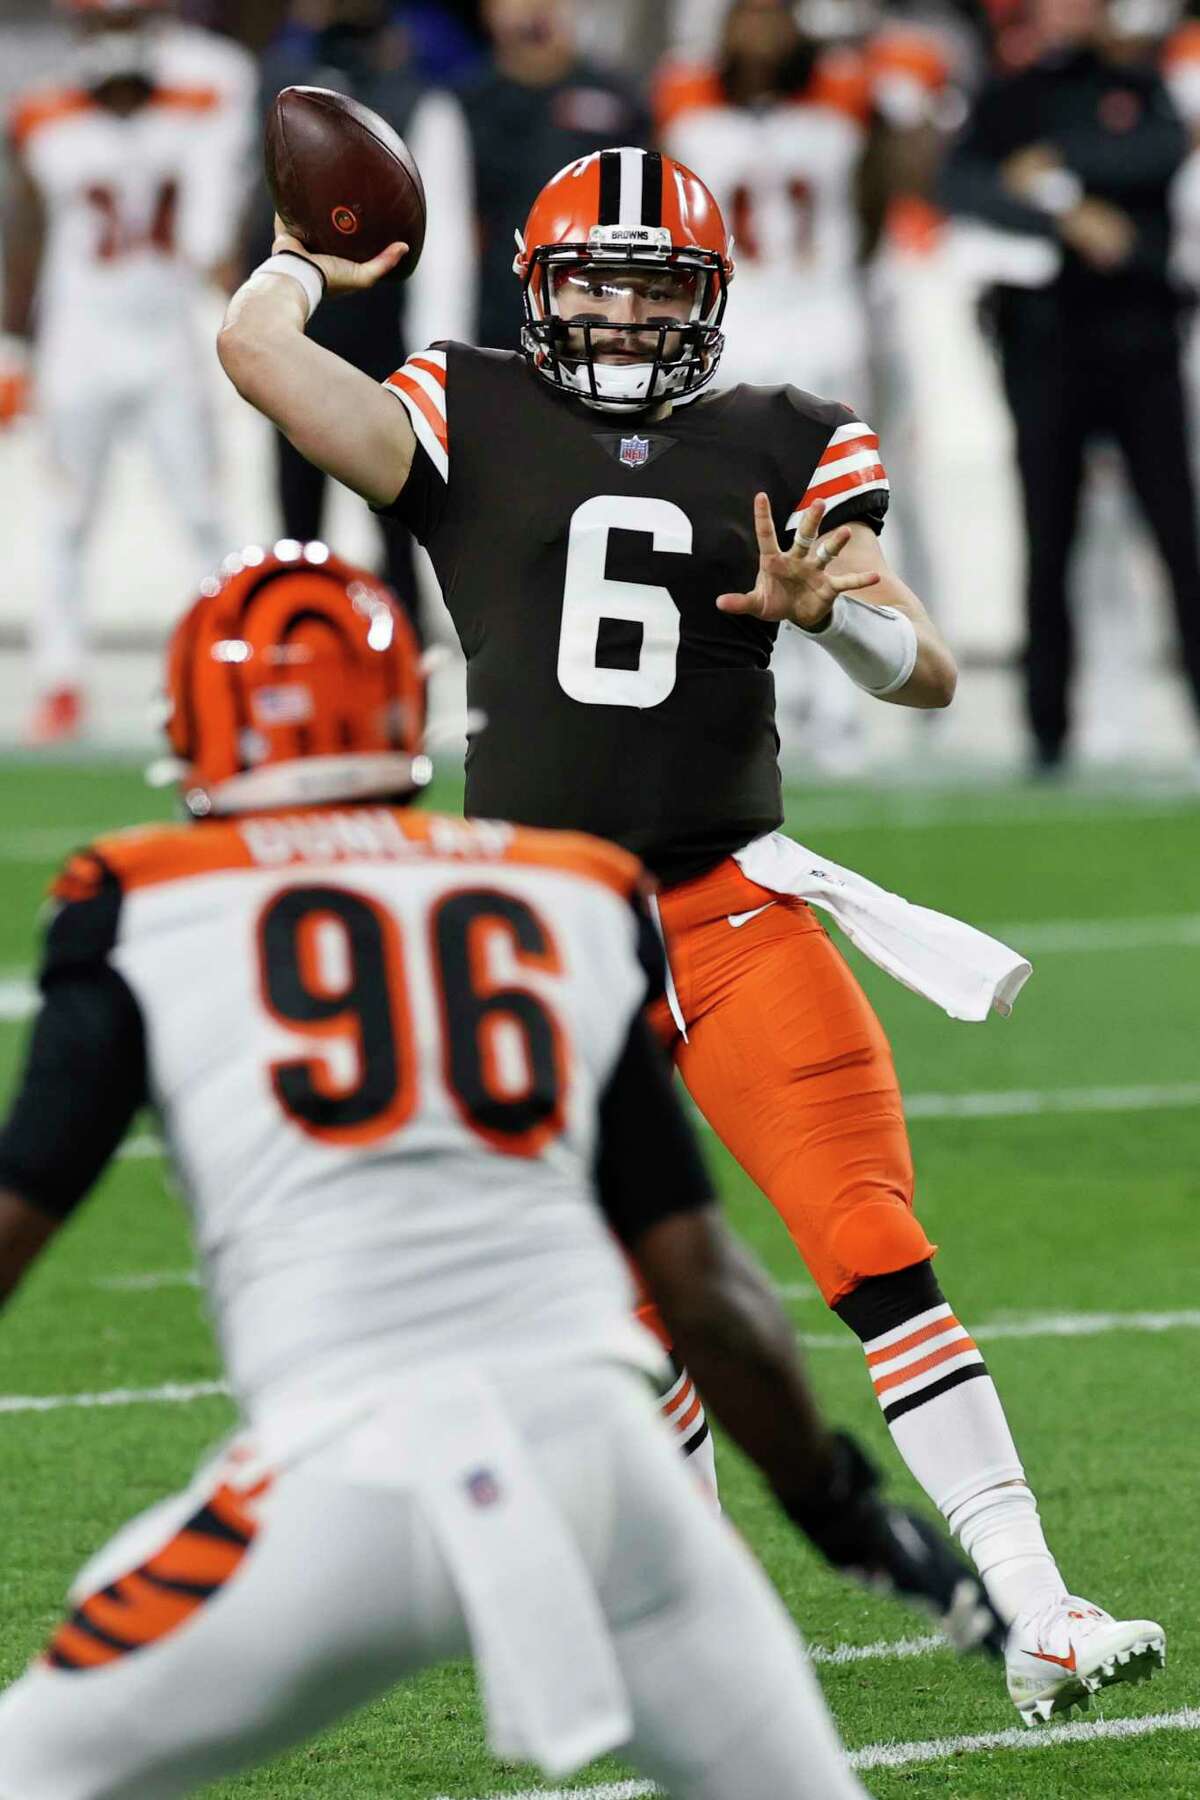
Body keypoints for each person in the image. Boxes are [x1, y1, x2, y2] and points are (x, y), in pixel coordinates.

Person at [216, 149, 1166, 1726]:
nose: (623, 308)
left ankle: (1039, 1606)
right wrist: (315, 260)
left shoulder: (786, 439)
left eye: (659, 283)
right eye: (598, 276)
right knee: (624, 1317)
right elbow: (256, 356)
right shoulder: (468, 405)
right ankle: (701, 1641)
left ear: (708, 302)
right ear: (541, 285)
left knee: (873, 1244)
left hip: (733, 913)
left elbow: (920, 669)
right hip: (541, 952)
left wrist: (826, 613)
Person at [0, 543, 1001, 1797]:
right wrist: (842, 1512)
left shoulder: (145, 899)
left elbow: (14, 1219)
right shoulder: (564, 891)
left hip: (344, 1482)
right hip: (613, 1480)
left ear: (199, 728)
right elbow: (706, 1286)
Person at [939, 0, 1200, 774]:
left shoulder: (1135, 83)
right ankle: (1046, 728)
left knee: (1175, 535)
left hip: (1140, 339)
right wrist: (1067, 215)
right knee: (1048, 535)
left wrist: (1054, 178)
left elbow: (1157, 153)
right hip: (1044, 344)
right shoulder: (1006, 93)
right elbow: (962, 186)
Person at [0, 0, 253, 745]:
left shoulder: (199, 104)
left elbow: (214, 230)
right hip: (78, 344)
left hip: (168, 341)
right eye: (103, 22)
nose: (116, 38)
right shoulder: (41, 115)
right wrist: (15, 349)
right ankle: (62, 681)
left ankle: (234, 664)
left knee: (205, 514)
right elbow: (26, 235)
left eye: (127, 19)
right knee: (64, 518)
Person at [245, 0, 475, 638]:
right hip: (305, 328)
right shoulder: (279, 85)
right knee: (297, 529)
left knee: (400, 527)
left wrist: (436, 353)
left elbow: (444, 246)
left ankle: (404, 677)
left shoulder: (419, 98)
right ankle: (294, 668)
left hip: (384, 337)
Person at [459, 0, 650, 351]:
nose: (534, 8)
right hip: (497, 313)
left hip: (601, 307)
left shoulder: (619, 97)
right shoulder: (463, 105)